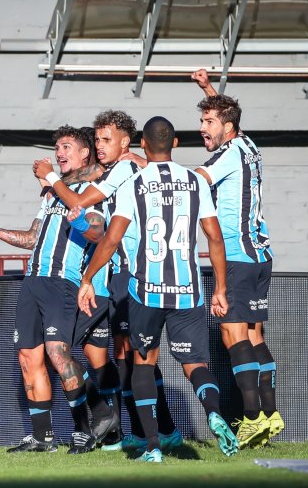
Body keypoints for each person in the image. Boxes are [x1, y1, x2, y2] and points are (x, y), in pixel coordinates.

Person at [78, 116, 239, 462]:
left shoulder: (135, 184)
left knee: (143, 364)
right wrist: (221, 289)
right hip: (188, 291)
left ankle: (152, 446)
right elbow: (214, 237)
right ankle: (212, 409)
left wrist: (88, 277)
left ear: (143, 147)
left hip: (146, 291)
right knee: (195, 363)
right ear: (175, 143)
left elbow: (112, 238)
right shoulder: (195, 182)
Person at [34, 110, 182, 452]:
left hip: (136, 271)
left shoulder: (130, 167)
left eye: (106, 140)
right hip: (117, 274)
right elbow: (86, 184)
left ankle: (162, 431)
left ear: (126, 142)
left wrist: (52, 178)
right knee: (123, 356)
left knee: (138, 356)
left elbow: (84, 199)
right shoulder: (118, 168)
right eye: (97, 139)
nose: (100, 146)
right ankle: (141, 432)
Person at [0, 126, 116, 454]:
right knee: (28, 357)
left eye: (67, 146)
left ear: (84, 153)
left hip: (62, 282)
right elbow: (33, 238)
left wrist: (56, 184)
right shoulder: (54, 192)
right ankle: (42, 438)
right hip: (33, 280)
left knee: (57, 354)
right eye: (57, 147)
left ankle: (87, 426)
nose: (59, 152)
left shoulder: (90, 190)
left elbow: (97, 233)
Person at [191, 69, 283, 449]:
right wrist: (209, 91)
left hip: (238, 258)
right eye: (201, 120)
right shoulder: (248, 145)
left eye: (208, 121)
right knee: (254, 335)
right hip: (261, 255)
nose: (202, 128)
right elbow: (231, 120)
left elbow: (194, 180)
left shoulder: (227, 155)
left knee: (233, 334)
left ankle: (251, 418)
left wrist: (151, 165)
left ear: (227, 126)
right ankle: (269, 414)